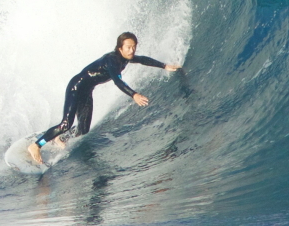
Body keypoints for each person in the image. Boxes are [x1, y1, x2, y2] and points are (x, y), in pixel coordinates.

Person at [28, 32, 181, 164]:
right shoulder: (112, 60)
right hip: (76, 87)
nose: (132, 50)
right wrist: (134, 94)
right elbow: (118, 81)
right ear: (120, 48)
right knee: (66, 123)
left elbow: (142, 59)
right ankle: (36, 145)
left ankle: (60, 138)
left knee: (83, 129)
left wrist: (164, 66)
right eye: (128, 47)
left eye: (134, 47)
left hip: (86, 91)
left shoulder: (125, 58)